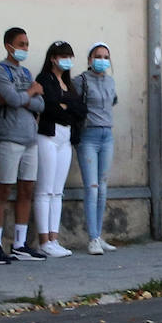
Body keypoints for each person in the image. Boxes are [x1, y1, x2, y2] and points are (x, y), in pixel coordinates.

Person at [0, 28, 45, 264]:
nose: (24, 48)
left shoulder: (26, 71)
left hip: (30, 138)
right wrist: (30, 92)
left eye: (27, 44)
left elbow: (41, 104)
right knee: (4, 189)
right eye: (20, 44)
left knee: (26, 189)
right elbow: (13, 99)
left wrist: (23, 97)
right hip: (8, 138)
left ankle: (20, 243)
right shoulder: (0, 70)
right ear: (8, 45)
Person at [34, 41, 87, 257]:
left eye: (69, 56)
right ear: (53, 58)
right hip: (48, 136)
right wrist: (65, 107)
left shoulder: (69, 83)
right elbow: (49, 107)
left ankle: (54, 238)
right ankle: (43, 240)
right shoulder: (44, 79)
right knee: (44, 189)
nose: (66, 60)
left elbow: (81, 109)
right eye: (62, 56)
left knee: (57, 191)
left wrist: (66, 106)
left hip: (66, 138)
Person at [76, 42, 119, 254]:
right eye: (98, 56)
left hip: (107, 135)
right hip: (88, 135)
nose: (102, 60)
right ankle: (92, 237)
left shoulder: (110, 81)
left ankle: (98, 235)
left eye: (105, 57)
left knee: (103, 186)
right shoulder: (81, 80)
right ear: (90, 59)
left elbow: (113, 102)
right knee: (91, 187)